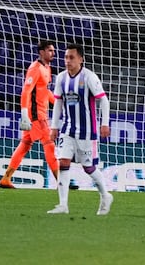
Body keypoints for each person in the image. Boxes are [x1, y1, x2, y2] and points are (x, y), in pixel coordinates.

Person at [47, 43, 113, 215]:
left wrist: (104, 123)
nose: (67, 61)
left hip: (87, 131)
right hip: (67, 129)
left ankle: (105, 195)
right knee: (63, 162)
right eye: (66, 57)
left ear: (81, 59)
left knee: (88, 168)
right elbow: (58, 103)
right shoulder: (61, 78)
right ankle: (63, 205)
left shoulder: (89, 77)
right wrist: (54, 127)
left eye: (71, 57)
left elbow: (103, 100)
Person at [0, 40, 59, 188]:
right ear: (42, 52)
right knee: (49, 144)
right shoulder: (35, 68)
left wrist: (58, 103)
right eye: (50, 51)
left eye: (53, 50)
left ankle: (6, 178)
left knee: (25, 145)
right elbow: (26, 91)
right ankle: (61, 181)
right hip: (36, 115)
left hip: (41, 113)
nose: (53, 53)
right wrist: (24, 113)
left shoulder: (47, 67)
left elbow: (45, 90)